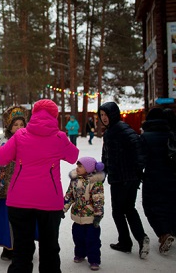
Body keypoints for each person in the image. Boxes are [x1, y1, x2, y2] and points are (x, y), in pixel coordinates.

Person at [0, 99, 79, 273]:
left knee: (21, 250)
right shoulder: (59, 137)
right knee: (49, 249)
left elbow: (0, 158)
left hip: (19, 201)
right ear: (54, 116)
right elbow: (73, 156)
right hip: (49, 202)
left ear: (33, 114)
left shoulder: (20, 135)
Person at [98, 101, 150, 259]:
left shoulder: (121, 129)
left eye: (106, 115)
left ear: (113, 114)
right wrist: (102, 173)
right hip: (121, 177)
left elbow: (138, 148)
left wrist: (137, 170)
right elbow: (107, 156)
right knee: (128, 208)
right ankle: (139, 239)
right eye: (101, 115)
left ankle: (126, 242)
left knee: (118, 211)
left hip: (124, 178)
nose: (104, 118)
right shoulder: (111, 131)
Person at [0, 105, 34, 261]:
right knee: (5, 219)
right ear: (9, 126)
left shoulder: (30, 140)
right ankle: (8, 247)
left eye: (21, 124)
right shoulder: (0, 141)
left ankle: (23, 246)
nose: (19, 127)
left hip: (23, 187)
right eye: (15, 125)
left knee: (23, 219)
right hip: (2, 188)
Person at [139, 107, 175, 255]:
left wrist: (137, 174)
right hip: (172, 177)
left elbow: (140, 159)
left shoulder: (146, 136)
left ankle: (163, 233)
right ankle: (170, 230)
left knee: (150, 206)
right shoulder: (170, 134)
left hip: (152, 177)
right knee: (169, 204)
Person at [63, 157, 105, 271]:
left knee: (92, 239)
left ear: (88, 169)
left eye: (80, 166)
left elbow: (98, 200)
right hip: (77, 216)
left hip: (91, 218)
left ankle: (94, 259)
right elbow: (69, 196)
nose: (77, 168)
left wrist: (98, 215)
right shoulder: (75, 181)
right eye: (77, 166)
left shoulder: (95, 183)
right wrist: (63, 209)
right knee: (78, 237)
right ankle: (80, 254)